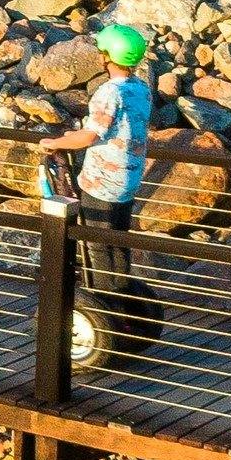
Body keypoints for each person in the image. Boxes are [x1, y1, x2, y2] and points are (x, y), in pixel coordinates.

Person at [36, 23, 153, 287]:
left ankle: (103, 303)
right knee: (118, 241)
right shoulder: (141, 89)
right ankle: (122, 295)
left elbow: (91, 135)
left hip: (102, 181)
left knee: (97, 245)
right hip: (129, 177)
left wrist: (56, 143)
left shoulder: (110, 92)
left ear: (108, 56)